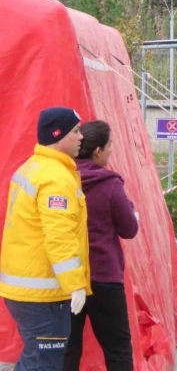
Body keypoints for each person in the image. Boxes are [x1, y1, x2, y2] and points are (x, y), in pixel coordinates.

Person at [0, 107, 91, 370]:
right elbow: (59, 236)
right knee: (43, 362)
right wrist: (76, 284)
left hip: (31, 289)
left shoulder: (35, 167)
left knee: (38, 359)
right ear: (58, 135)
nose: (81, 137)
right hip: (42, 294)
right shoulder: (55, 178)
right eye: (75, 131)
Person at [63, 121, 139, 371]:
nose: (111, 151)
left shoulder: (62, 178)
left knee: (68, 349)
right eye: (110, 146)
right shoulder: (109, 184)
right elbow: (129, 229)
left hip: (68, 276)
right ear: (97, 150)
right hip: (104, 276)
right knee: (117, 348)